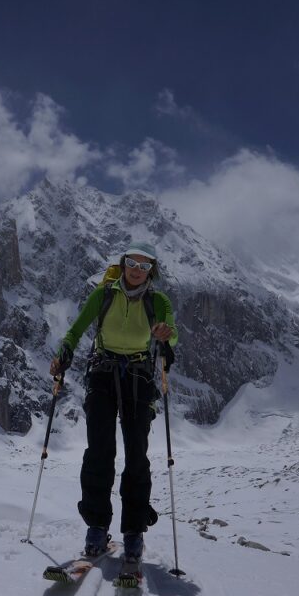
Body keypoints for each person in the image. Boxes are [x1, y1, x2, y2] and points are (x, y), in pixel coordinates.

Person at [49, 241, 179, 563]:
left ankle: (133, 531)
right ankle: (96, 526)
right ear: (123, 264)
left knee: (136, 455)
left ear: (152, 270)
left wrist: (165, 335)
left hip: (138, 378)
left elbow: (171, 334)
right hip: (103, 375)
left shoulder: (158, 302)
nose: (137, 271)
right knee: (99, 452)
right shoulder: (105, 294)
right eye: (132, 264)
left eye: (144, 266)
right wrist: (64, 352)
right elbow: (77, 329)